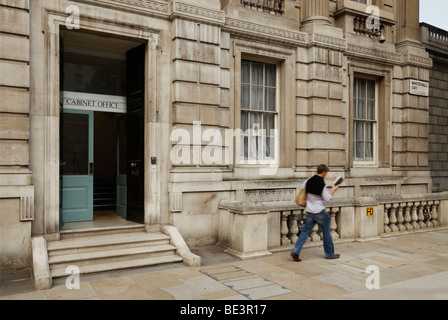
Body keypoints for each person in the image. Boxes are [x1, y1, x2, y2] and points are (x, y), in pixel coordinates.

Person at [291, 164, 340, 262]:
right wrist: (333, 191)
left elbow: (303, 188)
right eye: (326, 173)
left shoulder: (309, 180)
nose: (326, 175)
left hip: (309, 211)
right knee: (326, 233)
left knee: (305, 232)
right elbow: (328, 199)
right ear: (324, 172)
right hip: (320, 212)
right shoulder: (321, 184)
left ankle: (295, 251)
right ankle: (329, 254)